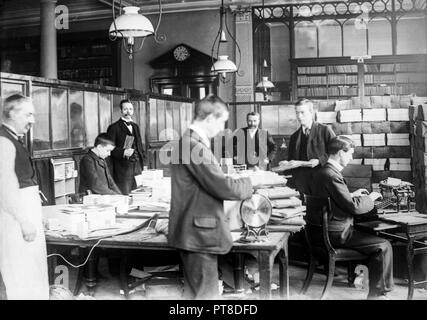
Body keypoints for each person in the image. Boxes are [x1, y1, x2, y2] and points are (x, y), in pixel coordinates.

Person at [168, 95, 254, 299]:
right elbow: (221, 186)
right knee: (205, 296)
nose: (223, 127)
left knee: (195, 295)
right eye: (222, 121)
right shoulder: (193, 146)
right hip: (199, 233)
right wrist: (253, 182)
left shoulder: (189, 142)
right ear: (209, 119)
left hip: (194, 232)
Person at [309, 136, 394, 299]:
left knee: (372, 237)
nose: (351, 158)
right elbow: (354, 207)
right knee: (383, 245)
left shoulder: (322, 172)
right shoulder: (332, 175)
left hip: (321, 233)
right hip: (337, 234)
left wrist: (350, 195)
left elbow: (333, 199)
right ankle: (377, 295)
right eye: (350, 154)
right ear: (341, 152)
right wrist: (372, 197)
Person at [0, 94, 49, 299]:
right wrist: (23, 221)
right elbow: (4, 187)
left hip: (25, 217)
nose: (33, 121)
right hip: (14, 221)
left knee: (34, 275)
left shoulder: (14, 140)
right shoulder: (4, 142)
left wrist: (37, 217)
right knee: (23, 279)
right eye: (28, 114)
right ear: (11, 113)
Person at [280, 98, 335, 195]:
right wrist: (287, 163)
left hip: (321, 180)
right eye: (297, 113)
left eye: (302, 112)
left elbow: (336, 152)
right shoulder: (294, 137)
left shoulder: (325, 130)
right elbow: (292, 159)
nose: (299, 116)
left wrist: (319, 160)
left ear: (311, 112)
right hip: (302, 183)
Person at [107, 99, 145, 195]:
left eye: (130, 109)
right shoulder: (114, 127)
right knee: (125, 195)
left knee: (138, 194)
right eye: (125, 109)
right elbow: (108, 148)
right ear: (120, 111)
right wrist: (123, 152)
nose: (128, 112)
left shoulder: (135, 126)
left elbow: (139, 146)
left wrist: (143, 163)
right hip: (122, 169)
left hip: (137, 167)